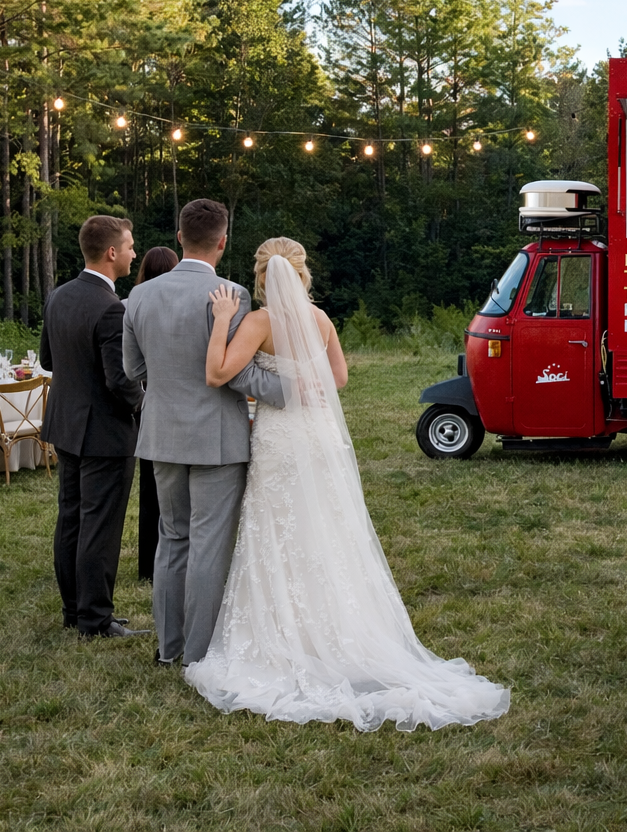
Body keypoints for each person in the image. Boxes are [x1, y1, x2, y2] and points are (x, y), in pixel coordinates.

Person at [183, 238, 510, 730]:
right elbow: (338, 378)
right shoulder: (321, 320)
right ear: (302, 273)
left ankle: (287, 637)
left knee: (279, 533)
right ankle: (338, 632)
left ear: (261, 276)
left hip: (280, 440)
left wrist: (222, 320)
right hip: (319, 437)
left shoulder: (258, 322)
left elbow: (217, 373)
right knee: (325, 530)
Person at [122, 199, 283, 667]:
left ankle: (169, 648)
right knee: (208, 544)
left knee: (172, 538)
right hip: (217, 438)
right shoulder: (232, 294)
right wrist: (296, 389)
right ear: (223, 241)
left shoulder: (138, 296)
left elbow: (133, 370)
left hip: (162, 434)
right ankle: (200, 654)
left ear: (179, 237)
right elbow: (236, 373)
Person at [40, 215, 146, 638]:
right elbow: (120, 380)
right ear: (112, 252)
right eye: (131, 246)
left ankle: (74, 610)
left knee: (71, 518)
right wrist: (144, 405)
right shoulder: (111, 308)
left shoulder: (58, 296)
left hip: (65, 424)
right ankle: (96, 620)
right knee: (99, 526)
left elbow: (47, 360)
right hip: (104, 432)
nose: (135, 253)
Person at [132, 246, 179, 582]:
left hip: (148, 401)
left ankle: (148, 564)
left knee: (150, 487)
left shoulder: (133, 305)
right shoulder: (183, 307)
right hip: (176, 400)